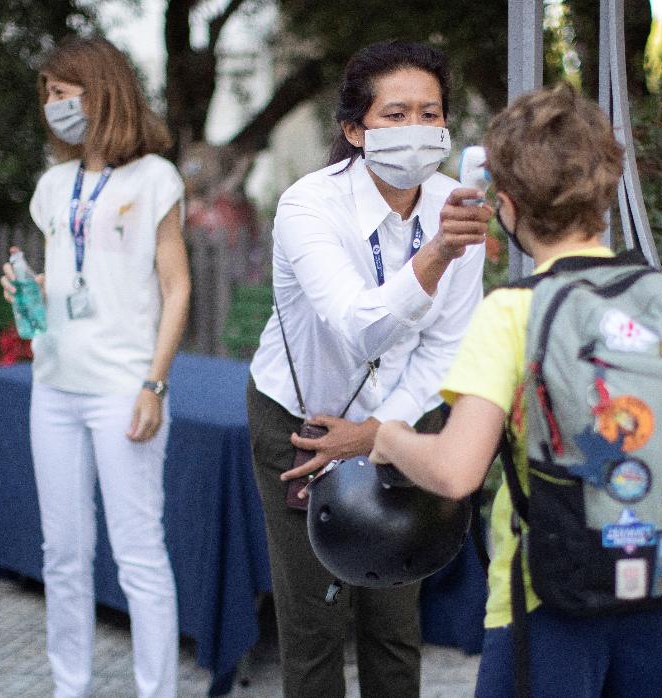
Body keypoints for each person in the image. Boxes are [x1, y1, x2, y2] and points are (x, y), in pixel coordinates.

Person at [368, 84, 662, 698]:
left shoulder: (513, 313)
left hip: (545, 603)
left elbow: (456, 472)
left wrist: (389, 437)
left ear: (508, 206)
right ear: (605, 196)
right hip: (657, 592)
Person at [245, 40, 490, 698]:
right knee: (315, 620)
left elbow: (446, 346)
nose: (415, 130)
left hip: (401, 420)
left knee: (393, 617)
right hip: (302, 424)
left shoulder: (454, 207)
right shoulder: (308, 207)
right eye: (395, 114)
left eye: (430, 114)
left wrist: (382, 431)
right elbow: (360, 325)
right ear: (354, 130)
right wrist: (439, 250)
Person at [0, 36, 191, 698]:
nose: (53, 106)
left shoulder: (154, 178)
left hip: (122, 389)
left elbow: (178, 288)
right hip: (53, 385)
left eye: (63, 92)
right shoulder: (53, 186)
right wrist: (30, 287)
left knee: (138, 556)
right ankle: (69, 687)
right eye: (46, 95)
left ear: (101, 89)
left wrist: (154, 383)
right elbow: (81, 273)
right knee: (63, 555)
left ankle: (156, 691)